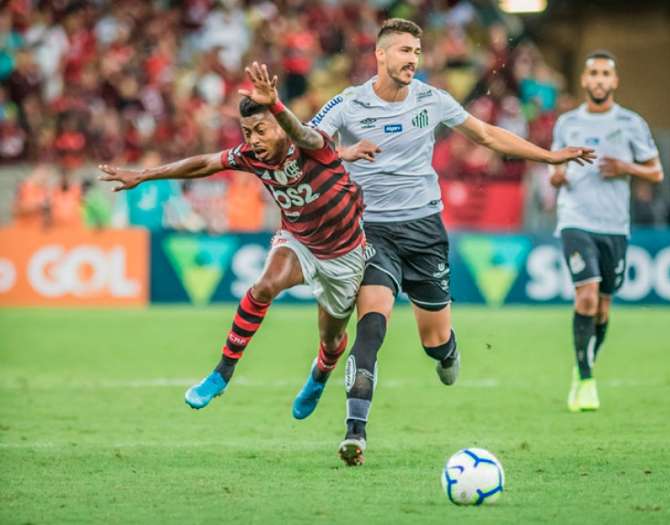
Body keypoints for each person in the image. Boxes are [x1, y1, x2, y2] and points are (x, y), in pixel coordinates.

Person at [310, 18, 595, 466]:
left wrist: (548, 156)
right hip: (371, 230)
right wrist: (340, 154)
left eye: (417, 53)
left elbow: (486, 135)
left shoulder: (432, 100)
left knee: (434, 340)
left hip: (424, 230)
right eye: (404, 51)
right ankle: (355, 431)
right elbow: (308, 143)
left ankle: (446, 349)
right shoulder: (347, 105)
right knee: (372, 322)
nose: (412, 60)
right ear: (380, 55)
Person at [99, 62, 366, 417]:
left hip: (343, 253)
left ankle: (320, 374)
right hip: (299, 240)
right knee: (263, 287)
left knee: (332, 340)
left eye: (260, 130)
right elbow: (205, 164)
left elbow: (301, 133)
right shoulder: (251, 156)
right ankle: (222, 372)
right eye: (247, 132)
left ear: (279, 124)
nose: (253, 140)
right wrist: (145, 175)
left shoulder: (314, 145)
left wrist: (276, 105)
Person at [549, 50, 663, 412]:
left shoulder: (631, 123)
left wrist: (626, 167)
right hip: (575, 219)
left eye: (605, 74)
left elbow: (656, 172)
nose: (598, 80)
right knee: (586, 295)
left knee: (603, 307)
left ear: (614, 81)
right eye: (593, 73)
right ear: (584, 81)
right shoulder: (567, 123)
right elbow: (553, 169)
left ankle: (585, 362)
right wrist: (557, 174)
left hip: (614, 225)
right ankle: (585, 380)